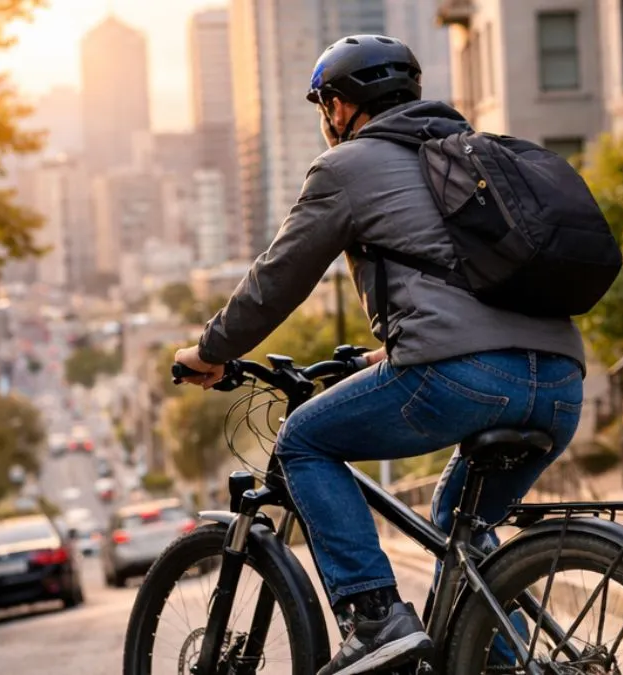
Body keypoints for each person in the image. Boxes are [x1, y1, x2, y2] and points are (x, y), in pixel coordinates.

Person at [174, 34, 586, 675]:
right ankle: (501, 664)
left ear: (339, 106)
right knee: (461, 524)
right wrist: (386, 353)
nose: (326, 119)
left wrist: (209, 349)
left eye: (324, 105)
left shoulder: (347, 167)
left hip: (464, 377)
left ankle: (374, 617)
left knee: (302, 441)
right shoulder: (471, 155)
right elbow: (465, 280)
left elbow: (276, 279)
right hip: (560, 381)